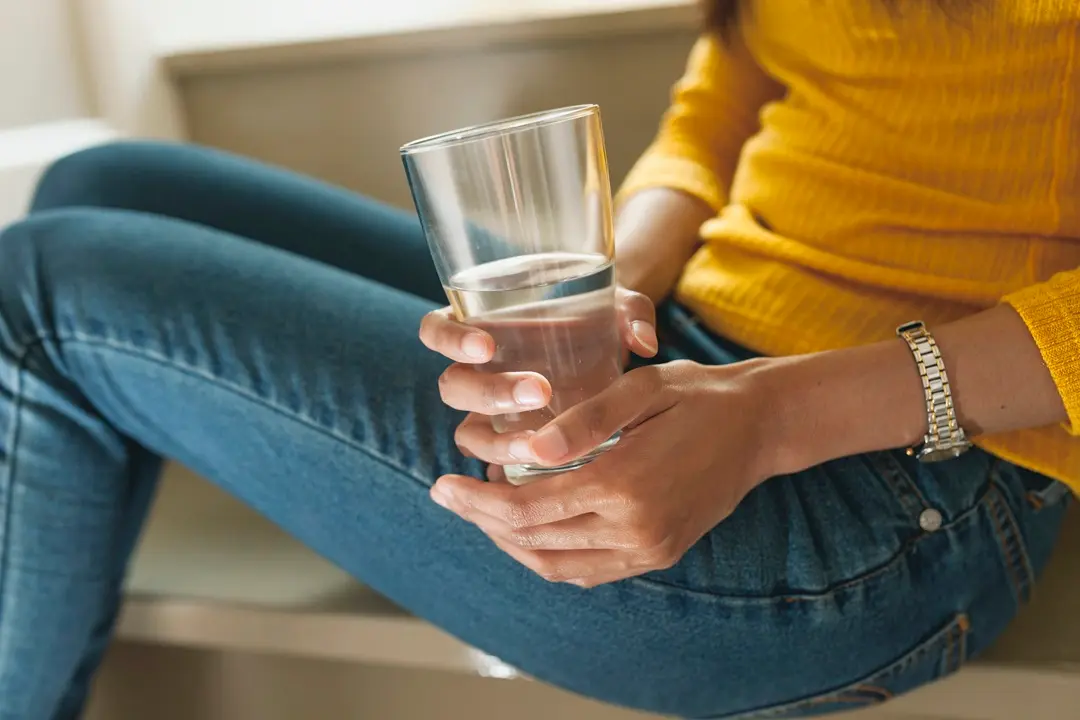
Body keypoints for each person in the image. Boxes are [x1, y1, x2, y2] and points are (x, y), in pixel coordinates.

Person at [1, 0, 1077, 717]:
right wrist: (612, 291)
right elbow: (723, 107)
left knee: (36, 290)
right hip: (705, 349)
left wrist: (769, 417)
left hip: (902, 474)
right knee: (98, 184)